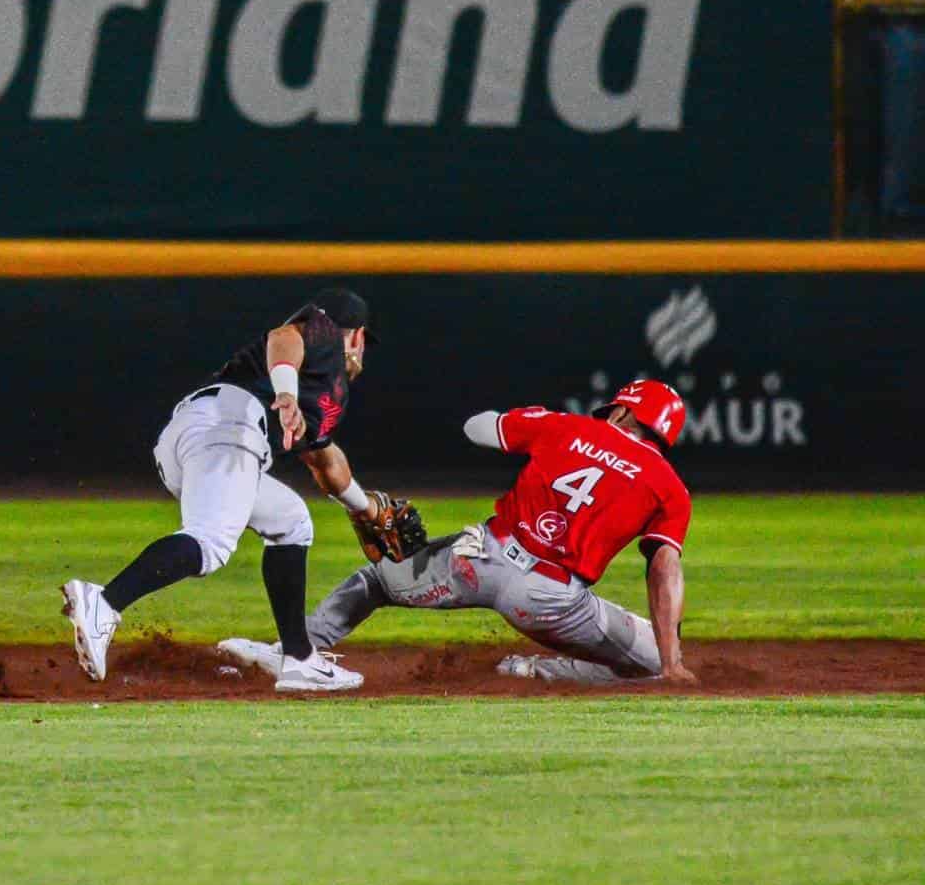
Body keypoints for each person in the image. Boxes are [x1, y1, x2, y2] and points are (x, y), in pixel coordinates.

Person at [218, 380, 699, 686]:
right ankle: (538, 672)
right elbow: (665, 569)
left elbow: (477, 428)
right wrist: (673, 661)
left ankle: (293, 652)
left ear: (621, 412)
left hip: (479, 561)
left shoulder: (566, 426)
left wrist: (526, 419)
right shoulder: (669, 488)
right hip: (550, 601)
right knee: (654, 660)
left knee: (377, 581)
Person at [62, 288, 381, 692]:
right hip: (229, 426)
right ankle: (103, 604)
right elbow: (284, 338)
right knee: (211, 543)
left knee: (292, 521)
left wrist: (364, 508)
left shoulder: (325, 388)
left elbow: (324, 461)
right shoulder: (325, 334)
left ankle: (299, 659)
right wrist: (285, 392)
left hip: (204, 436)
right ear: (358, 336)